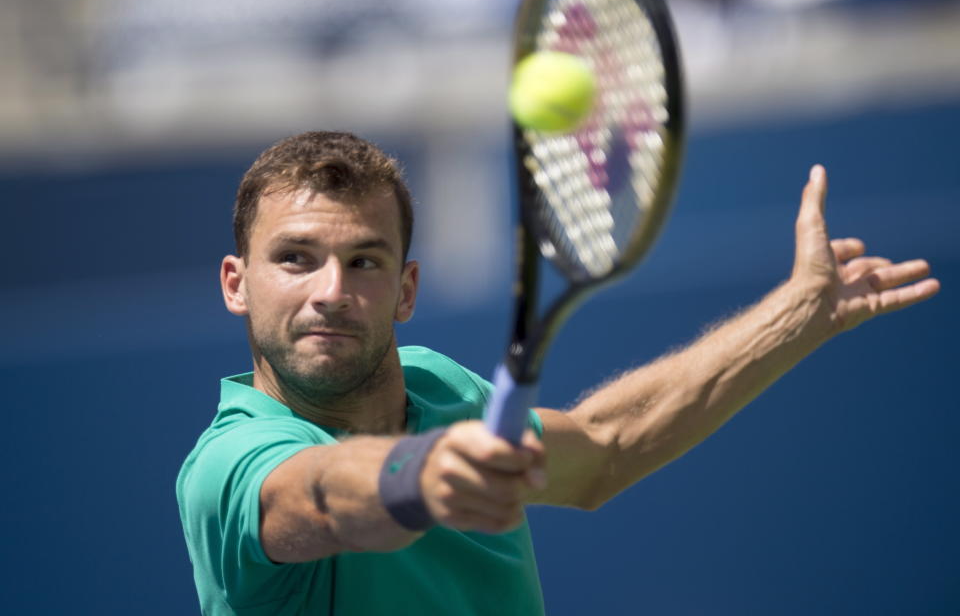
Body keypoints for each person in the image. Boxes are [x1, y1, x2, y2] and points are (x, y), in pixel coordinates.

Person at [176, 131, 939, 615]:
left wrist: (796, 313)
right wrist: (425, 472)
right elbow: (320, 496)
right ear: (237, 282)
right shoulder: (227, 464)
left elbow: (607, 444)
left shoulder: (444, 389)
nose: (331, 290)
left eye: (364, 261)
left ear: (405, 290)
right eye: (296, 258)